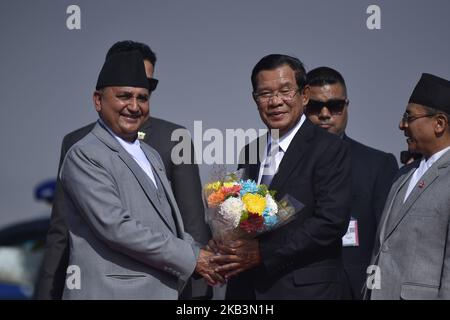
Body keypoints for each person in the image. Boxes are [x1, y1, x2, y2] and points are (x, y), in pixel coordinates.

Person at [35, 41, 212, 300]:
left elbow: (173, 227)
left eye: (142, 97)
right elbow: (116, 227)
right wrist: (194, 258)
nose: (134, 106)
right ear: (98, 100)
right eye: (124, 96)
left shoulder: (151, 154)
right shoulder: (85, 153)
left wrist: (213, 256)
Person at [210, 54, 352, 299]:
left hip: (306, 291)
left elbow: (331, 222)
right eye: (265, 94)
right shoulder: (250, 151)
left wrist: (263, 252)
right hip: (247, 291)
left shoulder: (330, 148)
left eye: (285, 91)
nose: (275, 101)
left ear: (304, 95)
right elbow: (243, 220)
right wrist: (225, 242)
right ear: (255, 100)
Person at [305, 67, 398, 299]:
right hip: (297, 286)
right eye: (315, 107)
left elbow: (387, 240)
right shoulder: (279, 161)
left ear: (347, 106)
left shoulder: (378, 164)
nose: (325, 114)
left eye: (335, 106)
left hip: (355, 287)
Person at [368, 73, 450, 300]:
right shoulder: (404, 173)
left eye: (409, 116)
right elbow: (382, 249)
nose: (401, 124)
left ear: (439, 123)